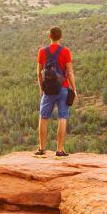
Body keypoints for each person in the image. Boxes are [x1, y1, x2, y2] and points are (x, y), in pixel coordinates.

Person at [35, 26, 76, 158]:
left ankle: (41, 149)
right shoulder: (65, 51)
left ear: (49, 36)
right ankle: (59, 150)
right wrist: (74, 88)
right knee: (62, 117)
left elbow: (39, 73)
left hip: (48, 90)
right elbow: (69, 72)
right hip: (63, 88)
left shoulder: (42, 51)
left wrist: (41, 88)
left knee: (43, 117)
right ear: (61, 37)